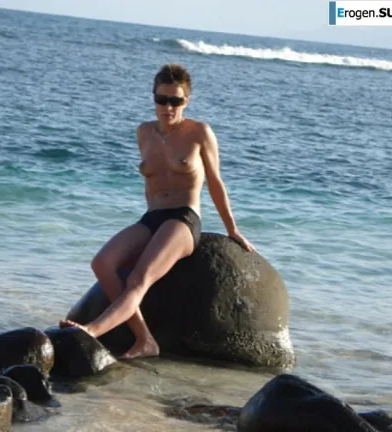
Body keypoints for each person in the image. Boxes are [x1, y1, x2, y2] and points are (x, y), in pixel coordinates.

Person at [60, 64, 255, 359]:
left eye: (175, 101)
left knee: (139, 278)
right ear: (153, 98)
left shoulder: (199, 133)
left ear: (186, 101)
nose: (168, 107)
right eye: (162, 100)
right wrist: (146, 231)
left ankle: (91, 331)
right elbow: (151, 184)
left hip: (183, 219)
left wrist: (232, 229)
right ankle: (145, 340)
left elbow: (216, 183)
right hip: (152, 218)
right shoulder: (144, 132)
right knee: (102, 263)